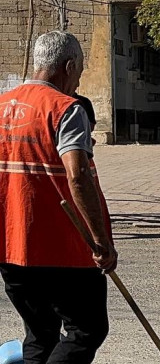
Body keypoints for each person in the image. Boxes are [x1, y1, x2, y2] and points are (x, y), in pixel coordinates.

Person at [0, 31, 117, 363]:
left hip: (10, 246)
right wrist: (100, 242)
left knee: (41, 334)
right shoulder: (65, 109)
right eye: (78, 74)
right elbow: (77, 176)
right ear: (68, 66)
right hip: (63, 249)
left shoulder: (1, 106)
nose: (77, 84)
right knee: (86, 330)